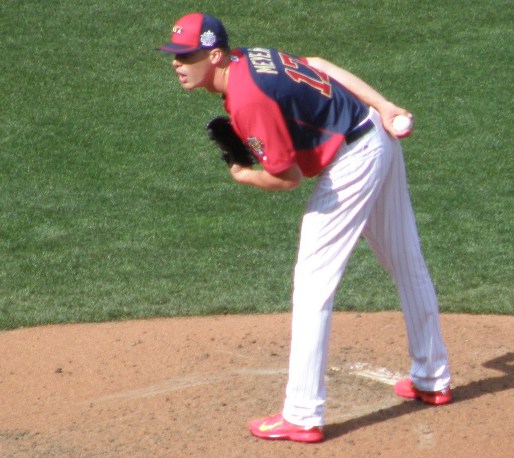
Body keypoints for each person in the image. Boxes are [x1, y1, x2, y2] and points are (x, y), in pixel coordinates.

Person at [159, 12, 452, 443]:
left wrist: (244, 175)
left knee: (313, 283)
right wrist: (385, 106)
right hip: (375, 132)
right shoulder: (249, 57)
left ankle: (302, 414)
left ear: (215, 55)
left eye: (186, 56)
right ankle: (432, 377)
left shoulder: (247, 99)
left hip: (353, 162)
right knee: (406, 261)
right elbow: (318, 63)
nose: (177, 63)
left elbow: (288, 178)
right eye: (175, 55)